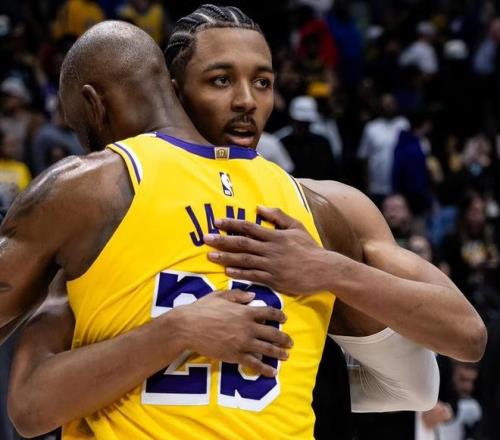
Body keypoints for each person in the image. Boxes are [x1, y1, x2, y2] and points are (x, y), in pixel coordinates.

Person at [8, 4, 485, 437]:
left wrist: (325, 268)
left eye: (263, 83)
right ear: (173, 91)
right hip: (247, 389)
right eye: (220, 81)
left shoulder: (319, 203)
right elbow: (30, 404)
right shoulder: (114, 195)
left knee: (402, 380)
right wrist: (179, 333)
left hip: (335, 380)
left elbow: (450, 351)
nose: (246, 101)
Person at [2, 21, 315, 439]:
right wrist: (338, 272)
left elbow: (29, 407)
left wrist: (177, 330)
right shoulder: (312, 202)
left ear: (95, 105)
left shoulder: (91, 187)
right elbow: (400, 381)